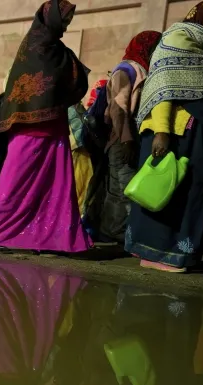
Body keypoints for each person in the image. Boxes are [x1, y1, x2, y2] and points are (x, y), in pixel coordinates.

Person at [127, 1, 203, 272]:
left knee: (192, 194)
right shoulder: (177, 39)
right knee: (165, 192)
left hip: (193, 137)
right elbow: (163, 88)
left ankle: (180, 254)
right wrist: (161, 131)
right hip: (170, 133)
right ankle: (159, 255)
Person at [0, 0, 91, 253]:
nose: (67, 24)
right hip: (28, 128)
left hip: (52, 126)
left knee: (54, 182)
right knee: (16, 178)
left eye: (69, 20)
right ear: (51, 18)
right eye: (65, 19)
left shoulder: (56, 50)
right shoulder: (35, 48)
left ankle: (49, 236)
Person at [84, 31, 163, 244]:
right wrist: (126, 139)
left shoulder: (141, 70)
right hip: (120, 140)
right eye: (156, 45)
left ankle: (112, 232)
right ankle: (116, 234)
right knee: (124, 189)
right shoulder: (125, 70)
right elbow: (119, 109)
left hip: (128, 139)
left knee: (117, 188)